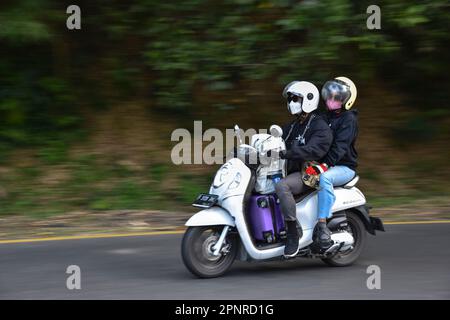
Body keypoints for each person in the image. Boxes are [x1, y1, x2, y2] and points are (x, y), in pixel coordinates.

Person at [274, 81, 333, 257]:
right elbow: (275, 139)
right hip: (293, 171)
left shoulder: (319, 126)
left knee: (281, 186)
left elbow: (314, 149)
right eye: (290, 98)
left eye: (295, 98)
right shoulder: (294, 126)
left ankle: (293, 231)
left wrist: (287, 153)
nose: (291, 102)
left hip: (309, 174)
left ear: (308, 99)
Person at [305, 76, 359, 250]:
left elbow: (340, 147)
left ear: (346, 100)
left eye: (337, 98)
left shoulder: (348, 119)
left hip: (343, 167)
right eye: (330, 96)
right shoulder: (322, 116)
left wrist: (324, 165)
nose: (331, 100)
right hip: (324, 163)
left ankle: (322, 225)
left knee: (325, 179)